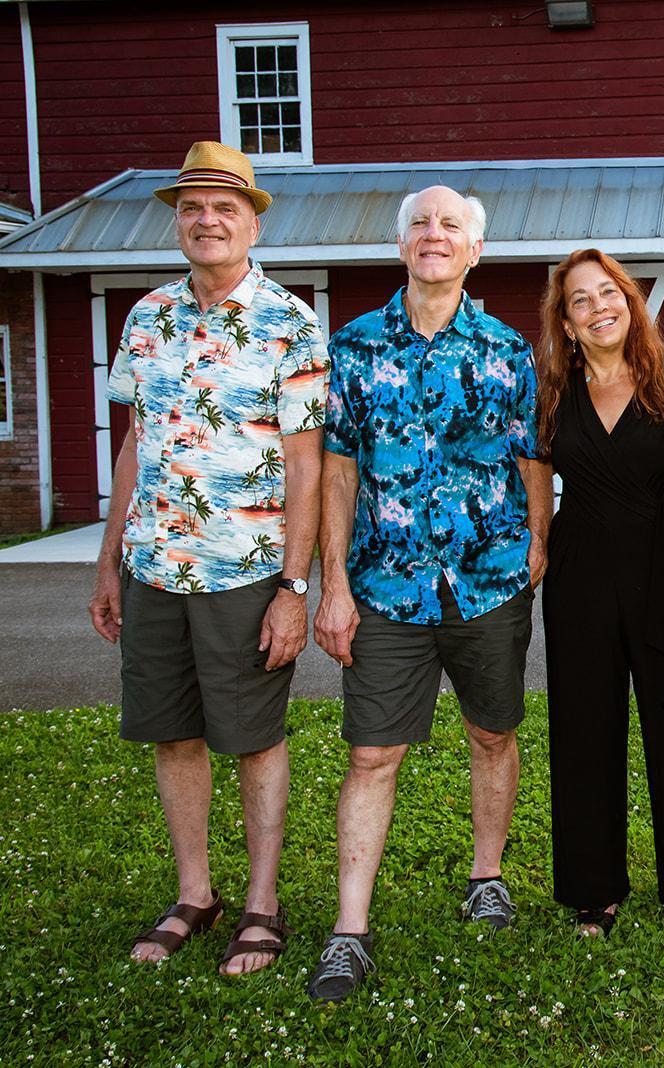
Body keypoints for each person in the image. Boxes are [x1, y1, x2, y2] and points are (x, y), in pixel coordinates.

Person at [87, 140, 327, 976]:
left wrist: (294, 587)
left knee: (254, 738)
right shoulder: (145, 317)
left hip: (245, 571)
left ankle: (261, 903)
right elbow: (134, 443)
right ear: (178, 222)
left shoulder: (289, 323)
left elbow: (306, 464)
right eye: (192, 207)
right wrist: (110, 561)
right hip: (154, 567)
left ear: (252, 224)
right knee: (172, 734)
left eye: (225, 207)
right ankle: (195, 894)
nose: (207, 220)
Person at [307, 185, 540, 1002]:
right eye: (420, 224)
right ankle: (350, 931)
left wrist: (538, 544)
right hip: (384, 585)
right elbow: (339, 469)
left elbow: (531, 456)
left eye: (450, 225)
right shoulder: (354, 346)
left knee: (492, 734)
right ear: (401, 244)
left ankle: (487, 877)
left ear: (475, 250)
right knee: (372, 754)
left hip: (488, 582)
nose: (433, 235)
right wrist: (333, 585)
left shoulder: (508, 349)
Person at [531, 249, 664, 939]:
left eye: (608, 292)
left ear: (630, 301)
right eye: (580, 300)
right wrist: (538, 541)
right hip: (580, 566)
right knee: (584, 727)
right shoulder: (552, 387)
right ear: (566, 323)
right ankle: (594, 889)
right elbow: (535, 468)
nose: (597, 307)